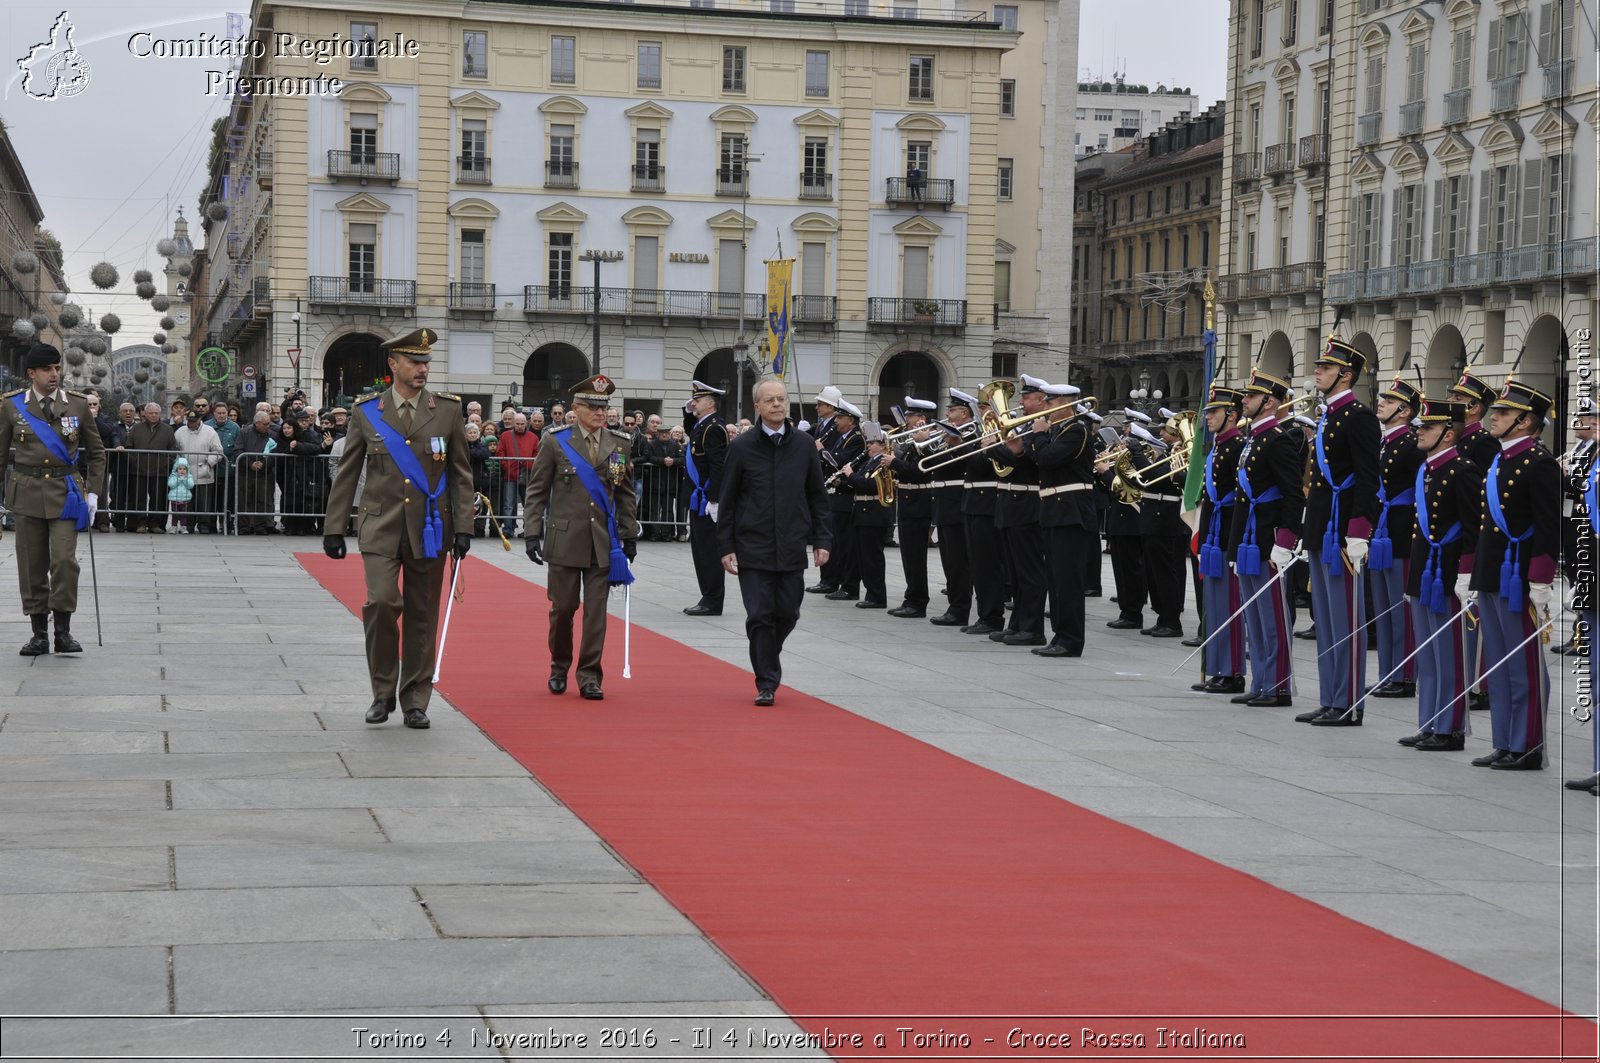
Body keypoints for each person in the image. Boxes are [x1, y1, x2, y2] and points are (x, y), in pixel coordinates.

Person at [322, 328, 474, 730]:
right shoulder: (367, 411)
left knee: (422, 615)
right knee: (382, 603)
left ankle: (415, 700)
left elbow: (461, 473)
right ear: (394, 365)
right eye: (414, 362)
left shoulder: (446, 410)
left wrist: (464, 526)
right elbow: (348, 470)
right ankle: (382, 691)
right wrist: (334, 526)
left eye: (426, 363)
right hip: (381, 525)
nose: (423, 369)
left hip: (430, 526)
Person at [522, 374, 639, 701]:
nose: (600, 413)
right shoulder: (555, 441)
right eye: (592, 406)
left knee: (596, 612)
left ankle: (590, 675)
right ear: (576, 408)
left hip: (603, 542)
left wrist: (629, 535)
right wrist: (533, 533)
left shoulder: (619, 444)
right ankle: (559, 666)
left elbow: (625, 494)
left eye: (603, 407)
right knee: (563, 608)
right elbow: (537, 491)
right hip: (564, 539)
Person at [717, 375, 832, 705]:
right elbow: (729, 500)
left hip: (792, 545)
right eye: (770, 400)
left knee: (788, 613)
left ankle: (766, 651)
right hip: (753, 547)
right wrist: (726, 546)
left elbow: (817, 497)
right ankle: (766, 680)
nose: (778, 404)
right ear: (757, 407)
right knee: (760, 614)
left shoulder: (804, 446)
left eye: (781, 399)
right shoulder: (741, 447)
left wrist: (822, 539)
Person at [1468, 379, 1559, 771]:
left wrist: (1540, 579)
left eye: (1503, 413)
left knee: (1523, 664)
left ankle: (1528, 743)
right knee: (1500, 664)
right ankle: (1505, 740)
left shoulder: (1538, 463)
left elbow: (1549, 525)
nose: (1494, 417)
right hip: (1492, 570)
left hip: (1518, 573)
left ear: (1525, 422)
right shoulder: (1501, 459)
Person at [0, 343, 106, 654]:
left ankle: (63, 631)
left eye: (57, 368)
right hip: (27, 492)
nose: (54, 374)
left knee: (64, 562)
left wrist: (95, 493)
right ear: (31, 373)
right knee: (31, 564)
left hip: (65, 493)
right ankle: (38, 634)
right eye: (47, 369)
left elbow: (97, 454)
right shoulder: (11, 406)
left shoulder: (77, 405)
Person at [1300, 337, 1382, 727]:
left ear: (1346, 375)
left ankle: (1348, 702)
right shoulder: (1329, 415)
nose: (1318, 371)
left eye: (1325, 367)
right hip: (1322, 526)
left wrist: (1359, 531)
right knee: (1327, 619)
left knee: (1346, 619)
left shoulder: (1359, 417)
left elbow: (1369, 479)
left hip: (1343, 529)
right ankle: (1331, 696)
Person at [1397, 396, 1482, 753]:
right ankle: (1430, 721)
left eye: (1428, 427)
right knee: (1428, 654)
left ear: (1448, 434)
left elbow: (1472, 529)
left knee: (1449, 655)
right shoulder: (1427, 469)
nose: (1420, 432)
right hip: (1424, 573)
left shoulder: (1463, 470)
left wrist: (1465, 575)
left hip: (1446, 574)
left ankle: (1450, 727)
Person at [1228, 369, 1303, 707]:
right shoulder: (1254, 439)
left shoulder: (1278, 439)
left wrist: (1285, 541)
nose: (1244, 400)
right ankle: (1261, 681)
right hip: (1248, 538)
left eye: (1251, 396)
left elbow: (1293, 494)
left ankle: (1279, 685)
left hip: (1269, 539)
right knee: (1255, 618)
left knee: (1273, 618)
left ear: (1269, 402)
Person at [1007, 378, 1095, 658]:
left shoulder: (1076, 431)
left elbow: (1047, 460)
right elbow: (1038, 461)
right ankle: (1060, 635)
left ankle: (1070, 640)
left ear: (1066, 405)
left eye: (1050, 403)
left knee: (1068, 580)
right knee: (1056, 579)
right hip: (1054, 511)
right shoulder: (1058, 430)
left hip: (1071, 512)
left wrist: (1037, 436)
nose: (1044, 407)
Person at [1364, 378, 1424, 698]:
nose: (1381, 404)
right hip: (1382, 532)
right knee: (1384, 609)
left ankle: (1405, 676)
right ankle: (1388, 672)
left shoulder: (1413, 445)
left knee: (1400, 610)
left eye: (1389, 401)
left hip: (1401, 534)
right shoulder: (1385, 443)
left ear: (1404, 411)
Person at [1191, 384, 1247, 692]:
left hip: (1228, 530)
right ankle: (1217, 668)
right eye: (1207, 412)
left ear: (1231, 414)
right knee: (1213, 603)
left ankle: (1233, 672)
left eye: (1213, 412)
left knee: (1229, 605)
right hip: (1213, 533)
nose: (1207, 418)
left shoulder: (1238, 446)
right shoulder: (1217, 445)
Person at [926, 389, 976, 626]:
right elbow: (933, 462)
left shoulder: (971, 431)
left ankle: (960, 608)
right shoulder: (950, 433)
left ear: (964, 412)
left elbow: (960, 461)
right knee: (949, 559)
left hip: (957, 498)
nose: (947, 413)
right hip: (944, 499)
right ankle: (954, 606)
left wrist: (955, 443)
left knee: (958, 561)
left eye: (952, 409)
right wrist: (924, 444)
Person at [886, 396, 937, 618]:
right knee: (908, 556)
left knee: (916, 557)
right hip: (908, 501)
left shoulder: (928, 441)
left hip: (919, 503)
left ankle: (917, 602)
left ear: (921, 419)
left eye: (910, 416)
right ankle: (911, 597)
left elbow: (921, 470)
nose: (906, 421)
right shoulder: (912, 441)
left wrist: (894, 463)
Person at [682, 381, 729, 615]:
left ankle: (713, 600)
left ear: (710, 404)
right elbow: (691, 430)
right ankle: (707, 596)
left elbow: (718, 466)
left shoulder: (714, 428)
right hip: (697, 497)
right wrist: (687, 410)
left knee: (709, 552)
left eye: (697, 401)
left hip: (706, 500)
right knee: (700, 551)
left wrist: (714, 500)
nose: (694, 404)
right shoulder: (703, 425)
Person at [840, 422, 894, 609]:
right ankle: (871, 593)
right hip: (863, 513)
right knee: (864, 558)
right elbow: (858, 484)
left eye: (872, 443)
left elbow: (870, 485)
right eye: (869, 443)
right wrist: (843, 481)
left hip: (874, 514)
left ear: (882, 444)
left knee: (873, 559)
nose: (869, 446)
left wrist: (851, 475)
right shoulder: (869, 461)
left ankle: (877, 596)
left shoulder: (883, 462)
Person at [814, 399, 864, 598]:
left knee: (846, 545)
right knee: (836, 543)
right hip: (836, 494)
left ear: (851, 420)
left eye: (840, 418)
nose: (836, 421)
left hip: (846, 495)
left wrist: (821, 450)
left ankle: (849, 586)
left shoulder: (856, 439)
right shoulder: (843, 436)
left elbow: (838, 461)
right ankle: (833, 581)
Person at [126, 401, 176, 532]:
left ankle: (155, 524)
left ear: (160, 414)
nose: (153, 415)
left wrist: (166, 463)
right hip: (139, 470)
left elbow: (172, 450)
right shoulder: (136, 428)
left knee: (158, 499)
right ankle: (140, 523)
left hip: (160, 471)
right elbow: (129, 447)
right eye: (150, 413)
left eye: (156, 413)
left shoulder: (168, 429)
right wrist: (135, 461)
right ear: (145, 414)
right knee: (139, 498)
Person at [173, 409, 224, 533]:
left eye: (194, 421)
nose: (191, 424)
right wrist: (179, 465)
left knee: (204, 501)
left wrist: (209, 463)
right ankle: (189, 524)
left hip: (204, 471)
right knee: (187, 501)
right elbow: (175, 450)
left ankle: (204, 525)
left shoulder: (210, 432)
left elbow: (218, 451)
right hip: (185, 472)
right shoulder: (180, 432)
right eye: (189, 421)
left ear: (200, 420)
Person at [496, 411, 539, 536]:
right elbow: (500, 453)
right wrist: (507, 466)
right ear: (514, 424)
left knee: (528, 504)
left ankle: (528, 530)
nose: (520, 426)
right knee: (508, 504)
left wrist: (529, 465)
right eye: (517, 423)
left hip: (526, 474)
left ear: (526, 424)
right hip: (510, 474)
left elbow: (537, 454)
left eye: (522, 423)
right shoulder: (505, 436)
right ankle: (508, 530)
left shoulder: (533, 437)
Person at [235, 410, 277, 534]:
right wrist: (250, 464)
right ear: (257, 423)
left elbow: (274, 453)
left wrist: (264, 464)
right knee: (244, 500)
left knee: (262, 500)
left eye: (269, 423)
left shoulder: (272, 435)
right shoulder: (244, 433)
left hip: (264, 473)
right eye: (265, 424)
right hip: (246, 472)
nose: (268, 426)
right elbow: (238, 450)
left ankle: (260, 526)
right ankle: (244, 526)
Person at [167, 456, 194, 532]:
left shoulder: (189, 476)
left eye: (184, 469)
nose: (182, 471)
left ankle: (183, 527)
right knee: (175, 514)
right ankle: (174, 526)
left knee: (184, 515)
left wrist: (185, 479)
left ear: (187, 469)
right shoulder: (173, 476)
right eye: (180, 469)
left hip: (185, 499)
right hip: (175, 499)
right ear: (176, 469)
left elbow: (191, 485)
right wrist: (179, 479)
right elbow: (171, 484)